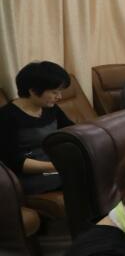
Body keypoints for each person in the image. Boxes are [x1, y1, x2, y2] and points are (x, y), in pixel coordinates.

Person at [0, 61, 73, 196]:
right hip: (31, 175)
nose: (59, 97)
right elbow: (14, 162)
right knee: (79, 177)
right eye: (54, 92)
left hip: (54, 166)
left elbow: (71, 130)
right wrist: (56, 166)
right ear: (33, 91)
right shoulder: (7, 117)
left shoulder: (50, 108)